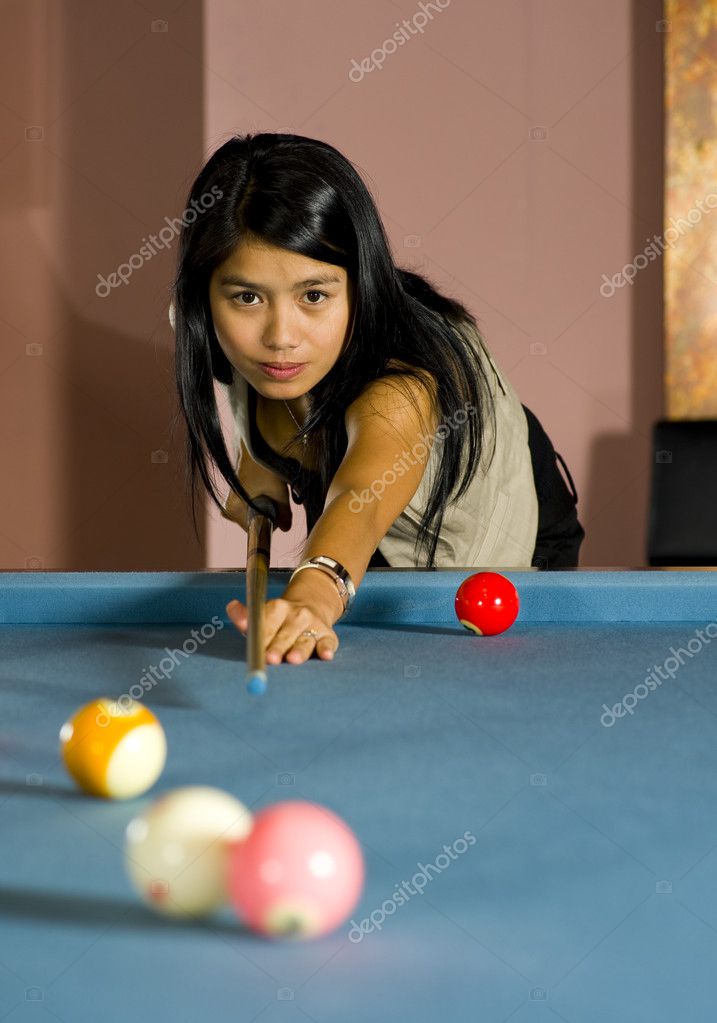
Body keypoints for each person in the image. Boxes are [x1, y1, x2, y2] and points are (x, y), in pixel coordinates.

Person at [171, 132, 584, 667]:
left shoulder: (403, 383)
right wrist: (262, 455)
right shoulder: (213, 329)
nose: (279, 336)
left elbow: (362, 498)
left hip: (494, 520)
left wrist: (312, 595)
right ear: (206, 297)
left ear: (359, 287)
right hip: (362, 500)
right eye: (248, 297)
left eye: (314, 295)